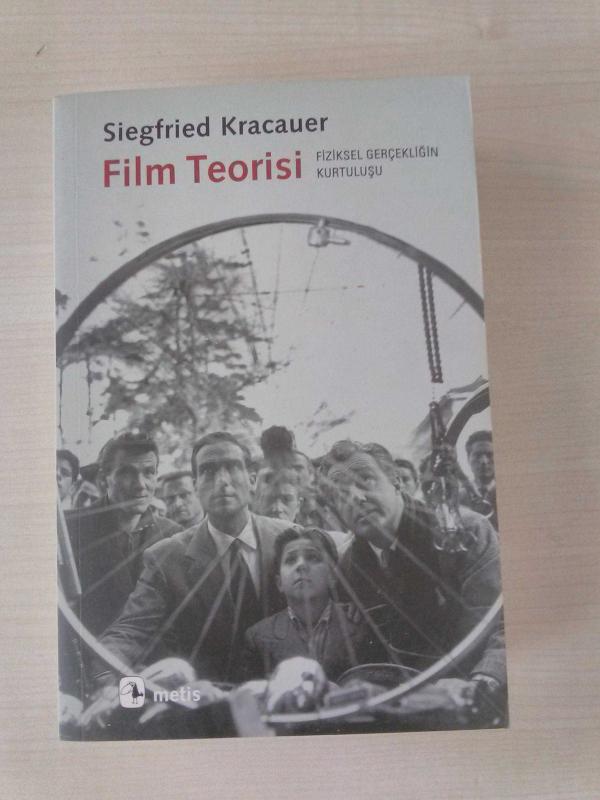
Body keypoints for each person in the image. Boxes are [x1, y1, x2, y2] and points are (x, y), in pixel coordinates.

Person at [96, 432, 291, 685]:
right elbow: (130, 631)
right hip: (205, 698)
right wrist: (107, 676)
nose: (222, 481)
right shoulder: (166, 556)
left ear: (252, 479)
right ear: (196, 486)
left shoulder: (292, 540)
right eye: (208, 471)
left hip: (289, 693)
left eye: (232, 467)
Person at [320, 439, 506, 694]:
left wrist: (482, 682)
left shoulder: (464, 532)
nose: (356, 498)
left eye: (366, 480)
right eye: (341, 494)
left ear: (396, 481)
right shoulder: (349, 567)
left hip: (472, 686)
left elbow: (502, 620)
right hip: (403, 696)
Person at [66, 432, 181, 636]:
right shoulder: (69, 529)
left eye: (149, 472)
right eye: (127, 473)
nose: (140, 484)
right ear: (104, 479)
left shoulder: (172, 535)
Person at [243, 527, 380, 682]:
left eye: (313, 558)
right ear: (279, 583)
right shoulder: (258, 637)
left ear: (332, 576)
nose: (301, 565)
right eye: (290, 560)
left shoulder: (360, 625)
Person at [463, 430, 498, 530]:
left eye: (490, 455)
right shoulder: (459, 498)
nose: (484, 461)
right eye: (477, 455)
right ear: (468, 458)